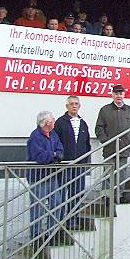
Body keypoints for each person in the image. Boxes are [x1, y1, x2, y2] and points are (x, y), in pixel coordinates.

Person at [95, 84, 130, 203]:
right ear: (112, 94)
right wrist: (106, 141)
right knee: (108, 173)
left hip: (124, 148)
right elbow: (99, 128)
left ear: (124, 95)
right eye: (116, 93)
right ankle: (107, 197)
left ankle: (119, 195)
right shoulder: (105, 110)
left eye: (121, 93)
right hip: (110, 148)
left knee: (121, 173)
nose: (118, 96)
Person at [53, 96, 91, 229]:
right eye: (71, 104)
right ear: (67, 106)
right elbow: (55, 141)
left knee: (77, 192)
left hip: (79, 165)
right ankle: (60, 220)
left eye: (76, 104)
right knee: (62, 193)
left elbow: (87, 143)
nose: (74, 106)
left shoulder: (83, 123)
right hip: (65, 164)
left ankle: (72, 218)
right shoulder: (60, 122)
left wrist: (84, 161)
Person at [26, 111, 64, 242]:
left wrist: (54, 155)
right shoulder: (35, 136)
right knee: (38, 206)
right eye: (52, 119)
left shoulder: (53, 134)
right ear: (46, 122)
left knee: (57, 202)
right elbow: (39, 157)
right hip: (38, 177)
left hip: (51, 175)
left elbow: (60, 150)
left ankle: (51, 232)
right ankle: (35, 235)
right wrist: (53, 155)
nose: (54, 121)